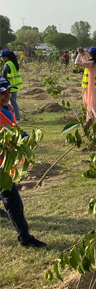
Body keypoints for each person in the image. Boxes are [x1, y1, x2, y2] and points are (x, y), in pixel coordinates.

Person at [0, 77, 47, 248]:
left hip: (6, 162)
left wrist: (27, 138)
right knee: (13, 201)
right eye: (2, 92)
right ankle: (25, 238)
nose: (6, 95)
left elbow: (15, 128)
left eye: (8, 91)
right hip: (1, 168)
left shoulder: (8, 108)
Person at [75, 47, 96, 122]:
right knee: (91, 105)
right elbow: (86, 62)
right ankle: (89, 121)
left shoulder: (91, 63)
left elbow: (77, 62)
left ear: (91, 54)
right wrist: (83, 55)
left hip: (91, 88)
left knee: (93, 105)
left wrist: (79, 54)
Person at [1, 50, 23, 121]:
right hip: (14, 86)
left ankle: (15, 117)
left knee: (10, 102)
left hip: (9, 87)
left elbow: (4, 73)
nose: (2, 59)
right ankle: (15, 116)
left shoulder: (8, 64)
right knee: (13, 102)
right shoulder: (14, 63)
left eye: (2, 57)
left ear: (6, 57)